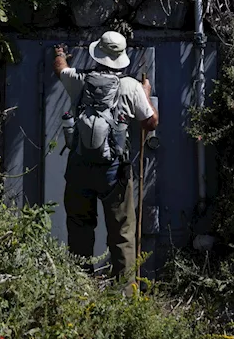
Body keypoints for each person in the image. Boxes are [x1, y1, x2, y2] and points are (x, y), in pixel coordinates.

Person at [53, 30, 159, 280]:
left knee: (79, 230)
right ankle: (124, 295)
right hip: (115, 174)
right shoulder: (130, 86)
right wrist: (145, 93)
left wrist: (59, 53)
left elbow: (60, 69)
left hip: (79, 170)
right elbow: (151, 123)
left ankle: (80, 289)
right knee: (122, 233)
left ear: (97, 54)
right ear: (121, 57)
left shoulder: (77, 79)